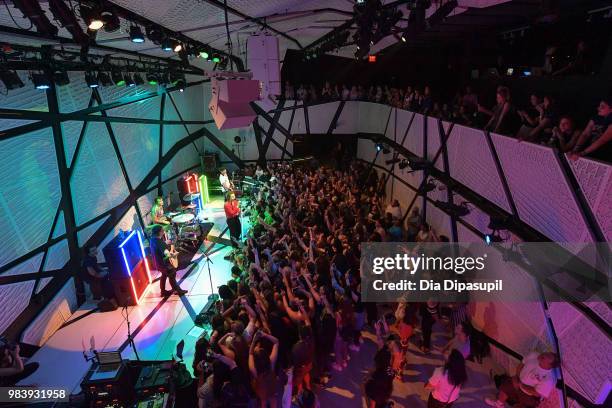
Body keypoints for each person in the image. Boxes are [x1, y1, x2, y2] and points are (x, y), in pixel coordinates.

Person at [485, 352, 559, 408]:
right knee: (506, 386)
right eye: (546, 353)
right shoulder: (534, 355)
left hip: (530, 395)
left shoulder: (549, 378)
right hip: (518, 381)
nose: (544, 354)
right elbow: (521, 365)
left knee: (524, 405)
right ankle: (498, 404)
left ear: (549, 365)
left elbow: (537, 393)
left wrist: (522, 386)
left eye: (546, 357)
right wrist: (516, 377)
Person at [149, 225, 187, 296]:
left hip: (157, 263)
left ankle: (163, 292)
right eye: (162, 230)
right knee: (172, 276)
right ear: (160, 232)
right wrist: (174, 254)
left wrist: (165, 243)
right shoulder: (160, 243)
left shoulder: (152, 239)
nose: (163, 231)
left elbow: (158, 248)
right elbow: (167, 254)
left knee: (164, 276)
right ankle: (178, 291)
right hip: (164, 264)